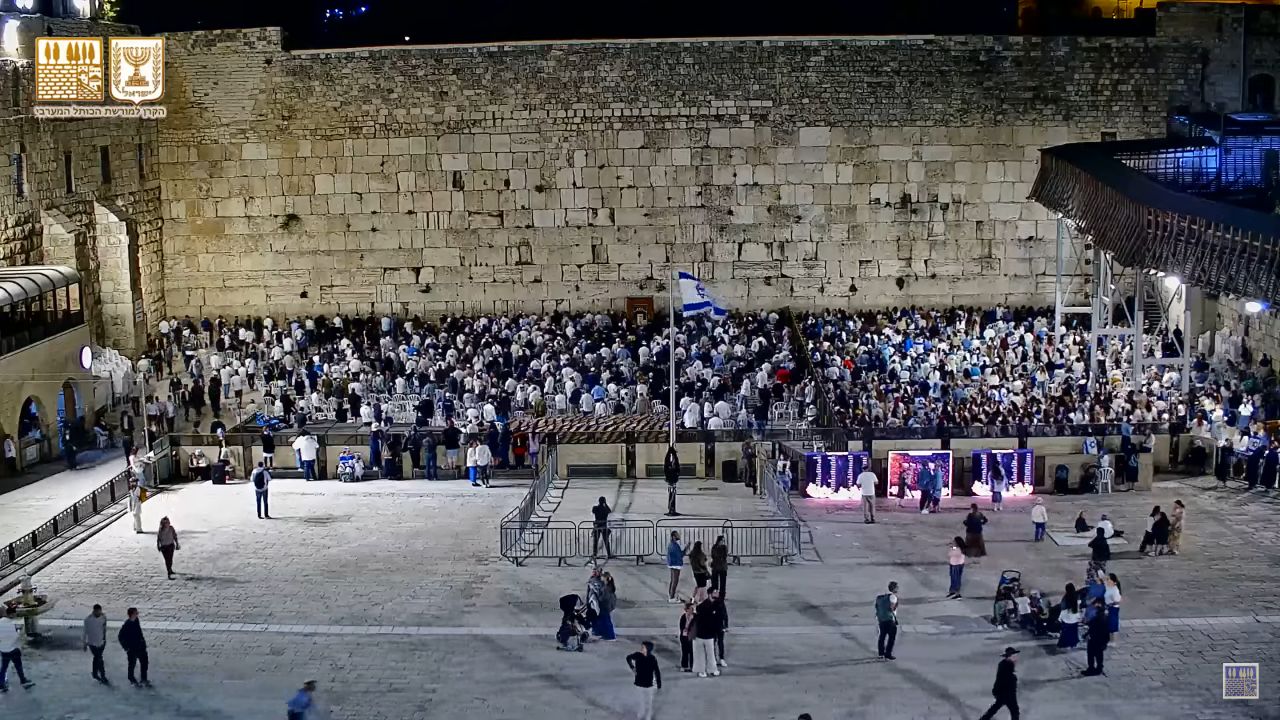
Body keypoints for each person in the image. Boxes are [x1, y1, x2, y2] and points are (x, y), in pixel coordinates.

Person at [977, 647, 1020, 720]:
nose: (1016, 658)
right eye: (1014, 656)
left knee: (995, 708)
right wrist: (1013, 679)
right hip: (1006, 693)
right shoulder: (1005, 665)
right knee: (1014, 711)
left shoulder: (1006, 664)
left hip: (1005, 692)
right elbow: (1004, 680)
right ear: (1009, 656)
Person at [625, 641, 662, 720]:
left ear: (648, 649)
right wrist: (632, 667)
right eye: (641, 647)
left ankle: (647, 716)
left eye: (643, 647)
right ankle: (640, 714)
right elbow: (628, 657)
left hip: (649, 684)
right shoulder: (638, 655)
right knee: (640, 701)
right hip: (639, 683)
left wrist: (659, 684)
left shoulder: (652, 659)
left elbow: (657, 671)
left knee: (649, 702)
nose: (641, 648)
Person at [0, 609, 34, 691]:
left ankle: (1, 684)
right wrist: (19, 631)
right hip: (12, 649)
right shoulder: (11, 624)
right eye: (14, 614)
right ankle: (23, 680)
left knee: (4, 668)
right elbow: (15, 637)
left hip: (3, 649)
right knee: (18, 666)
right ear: (11, 614)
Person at [691, 588, 721, 677]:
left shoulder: (718, 605)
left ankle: (712, 669)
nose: (716, 597)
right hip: (700, 634)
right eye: (714, 595)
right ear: (709, 594)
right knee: (700, 654)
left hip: (710, 634)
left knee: (711, 653)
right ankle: (701, 670)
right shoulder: (701, 607)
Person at [118, 607, 149, 686]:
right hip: (132, 648)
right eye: (136, 613)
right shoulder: (127, 625)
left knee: (144, 662)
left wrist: (143, 642)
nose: (137, 614)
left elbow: (139, 632)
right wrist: (126, 648)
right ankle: (131, 678)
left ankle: (143, 679)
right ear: (131, 614)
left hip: (140, 646)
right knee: (132, 664)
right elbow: (120, 636)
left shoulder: (136, 620)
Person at [1083, 598, 1110, 676]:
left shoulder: (1097, 619)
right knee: (1099, 655)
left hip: (1094, 640)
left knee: (1091, 654)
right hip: (1101, 640)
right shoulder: (1105, 618)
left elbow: (1091, 627)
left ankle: (1091, 669)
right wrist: (1106, 642)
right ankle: (1099, 668)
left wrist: (1087, 634)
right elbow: (1106, 631)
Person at [84, 603, 109, 684]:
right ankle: (102, 676)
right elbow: (85, 632)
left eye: (99, 611)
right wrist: (85, 643)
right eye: (97, 611)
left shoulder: (103, 618)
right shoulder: (88, 620)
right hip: (92, 643)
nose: (98, 613)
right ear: (94, 611)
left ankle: (95, 674)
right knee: (99, 658)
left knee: (97, 657)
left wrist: (104, 639)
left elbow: (104, 628)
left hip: (101, 642)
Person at [875, 581, 899, 660]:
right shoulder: (893, 597)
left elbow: (877, 607)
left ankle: (881, 653)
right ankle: (888, 654)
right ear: (894, 588)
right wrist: (896, 606)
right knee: (891, 638)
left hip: (881, 620)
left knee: (882, 636)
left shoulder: (881, 597)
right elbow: (891, 608)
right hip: (889, 619)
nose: (898, 589)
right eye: (897, 587)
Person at [666, 531, 689, 602]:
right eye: (677, 535)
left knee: (672, 580)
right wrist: (686, 548)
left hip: (672, 564)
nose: (679, 536)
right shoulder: (674, 546)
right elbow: (681, 555)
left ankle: (670, 595)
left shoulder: (671, 545)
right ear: (673, 537)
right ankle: (672, 597)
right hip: (676, 565)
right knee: (675, 581)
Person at [1058, 584, 1081, 650]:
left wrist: (1060, 617)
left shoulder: (1065, 597)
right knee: (1073, 631)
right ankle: (1073, 643)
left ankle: (1065, 644)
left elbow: (1062, 608)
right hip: (1074, 617)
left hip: (1066, 617)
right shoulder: (1077, 596)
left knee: (1065, 632)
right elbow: (1078, 606)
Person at [710, 587, 729, 668]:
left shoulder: (721, 602)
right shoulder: (709, 603)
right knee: (712, 643)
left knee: (720, 643)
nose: (717, 593)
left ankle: (721, 658)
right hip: (712, 626)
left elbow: (725, 614)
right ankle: (713, 659)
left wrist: (726, 625)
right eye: (715, 592)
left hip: (720, 626)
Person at [678, 602, 696, 672]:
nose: (692, 610)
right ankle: (684, 665)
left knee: (692, 652)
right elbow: (681, 627)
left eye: (693, 608)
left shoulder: (695, 616)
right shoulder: (683, 617)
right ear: (687, 609)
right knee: (685, 651)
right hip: (684, 636)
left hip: (692, 636)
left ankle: (692, 666)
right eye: (691, 608)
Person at [664, 446, 680, 516]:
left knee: (671, 496)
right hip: (672, 481)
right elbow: (676, 463)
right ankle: (671, 509)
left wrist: (670, 452)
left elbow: (667, 461)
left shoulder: (668, 468)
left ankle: (671, 509)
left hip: (671, 481)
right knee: (672, 496)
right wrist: (673, 453)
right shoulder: (672, 468)